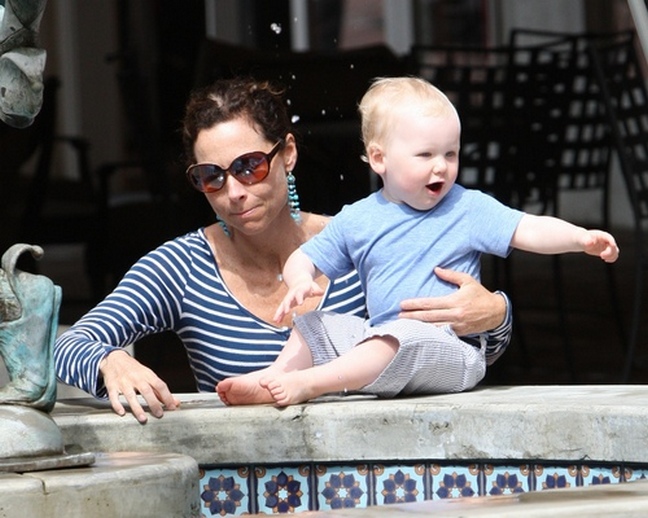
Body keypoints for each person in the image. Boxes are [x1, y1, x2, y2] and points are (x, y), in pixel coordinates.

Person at [54, 77, 514, 423]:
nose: (233, 191)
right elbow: (64, 345)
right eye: (211, 176)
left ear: (287, 154)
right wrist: (110, 360)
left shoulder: (367, 237)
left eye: (249, 166)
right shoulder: (181, 267)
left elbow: (457, 352)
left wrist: (494, 314)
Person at [216, 77, 619, 407]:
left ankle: (312, 383)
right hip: (381, 340)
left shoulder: (466, 207)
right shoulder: (359, 218)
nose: (441, 166)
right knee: (314, 324)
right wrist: (301, 279)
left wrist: (579, 237)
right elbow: (304, 258)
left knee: (402, 336)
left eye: (451, 153)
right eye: (425, 154)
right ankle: (275, 377)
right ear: (379, 159)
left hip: (450, 351)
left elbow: (529, 228)